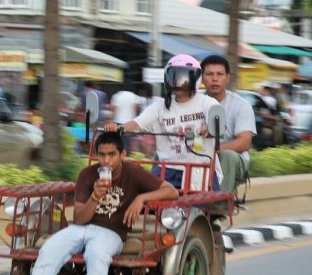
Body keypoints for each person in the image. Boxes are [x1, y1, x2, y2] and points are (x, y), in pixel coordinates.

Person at [16, 132, 179, 275]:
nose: (107, 161)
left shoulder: (134, 173)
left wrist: (142, 197)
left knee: (96, 256)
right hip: (81, 229)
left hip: (111, 233)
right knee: (48, 250)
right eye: (102, 155)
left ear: (123, 154)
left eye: (112, 155)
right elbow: (79, 218)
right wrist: (95, 196)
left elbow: (171, 191)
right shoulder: (87, 175)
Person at [104, 54, 223, 190]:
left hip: (199, 168)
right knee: (141, 197)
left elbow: (217, 122)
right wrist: (118, 128)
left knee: (197, 206)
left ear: (194, 78)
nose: (177, 82)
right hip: (166, 169)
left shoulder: (208, 103)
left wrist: (210, 129)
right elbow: (137, 124)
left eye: (182, 77)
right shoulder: (159, 106)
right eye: (173, 76)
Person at [200, 54, 256, 194]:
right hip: (199, 155)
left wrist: (214, 150)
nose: (214, 79)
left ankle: (220, 203)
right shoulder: (194, 101)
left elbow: (244, 142)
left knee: (228, 155)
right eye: (209, 74)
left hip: (233, 159)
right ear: (202, 77)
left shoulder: (241, 105)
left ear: (227, 78)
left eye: (219, 74)